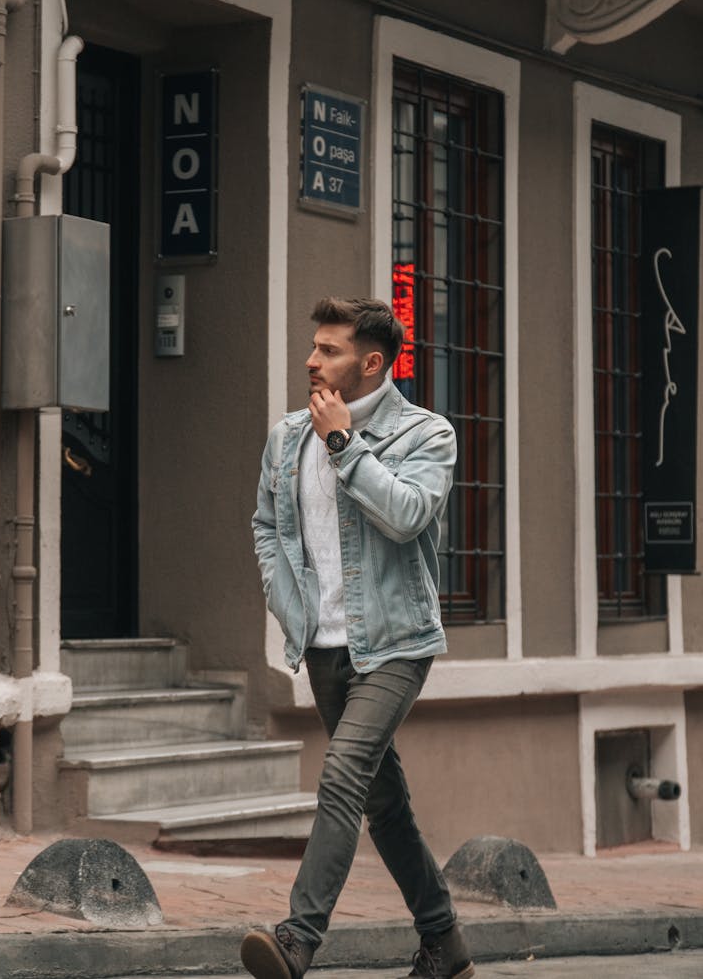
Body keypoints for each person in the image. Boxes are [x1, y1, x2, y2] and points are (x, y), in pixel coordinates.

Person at [240, 296, 474, 979]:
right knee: (385, 804)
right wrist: (290, 606)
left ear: (370, 363)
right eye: (314, 346)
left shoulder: (427, 435)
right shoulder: (287, 437)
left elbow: (406, 514)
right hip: (323, 645)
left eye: (329, 349)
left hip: (397, 642)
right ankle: (445, 941)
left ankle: (296, 940)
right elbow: (267, 524)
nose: (311, 360)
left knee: (342, 775)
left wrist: (345, 443)